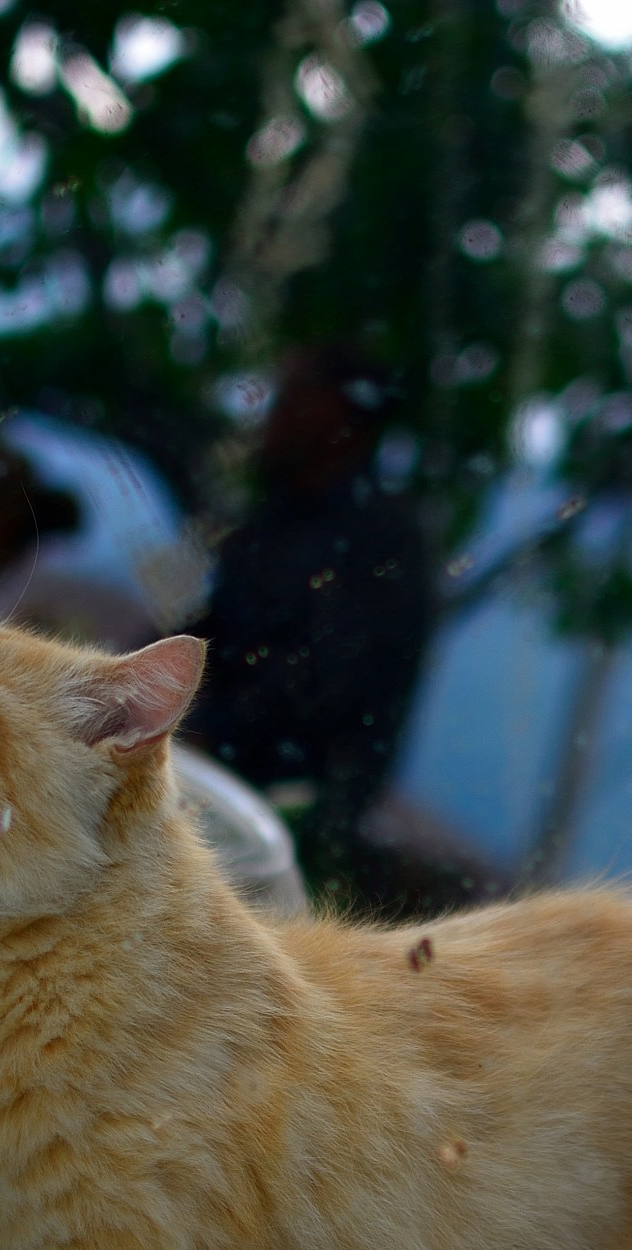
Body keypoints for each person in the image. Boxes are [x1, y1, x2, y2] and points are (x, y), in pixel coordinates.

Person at [180, 345, 432, 899]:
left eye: (292, 397)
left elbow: (321, 686)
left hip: (281, 829)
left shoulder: (378, 539)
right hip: (216, 794)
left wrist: (204, 734)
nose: (270, 414)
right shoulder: (271, 524)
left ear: (339, 416)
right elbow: (208, 638)